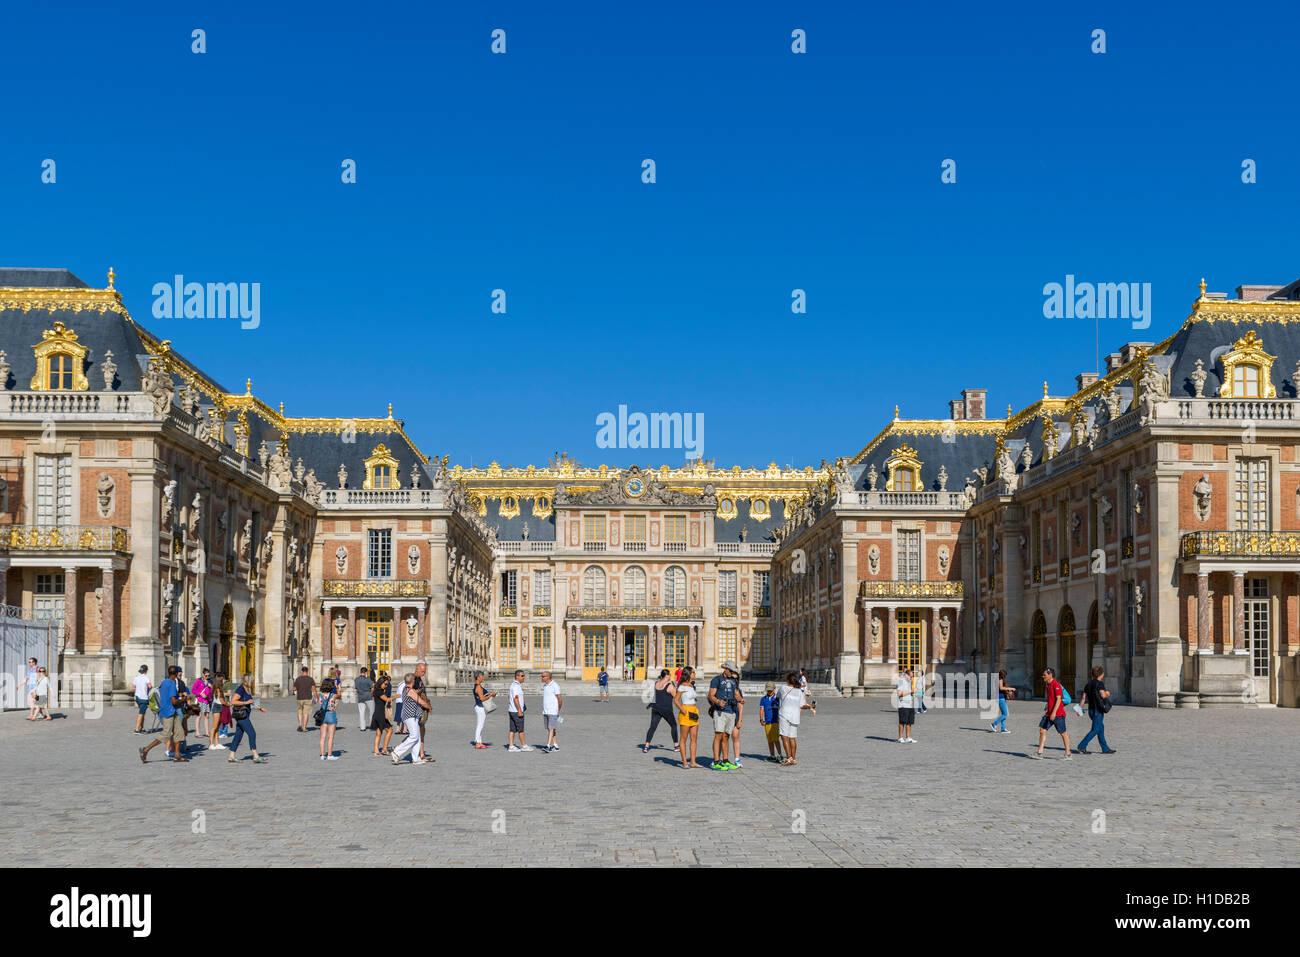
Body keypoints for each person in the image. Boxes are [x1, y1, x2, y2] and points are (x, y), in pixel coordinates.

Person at [139, 665, 188, 763]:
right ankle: (146, 750)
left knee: (179, 732)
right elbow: (174, 701)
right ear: (175, 674)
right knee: (166, 734)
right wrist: (184, 699)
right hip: (169, 711)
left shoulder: (164, 682)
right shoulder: (172, 683)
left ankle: (177, 755)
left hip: (171, 711)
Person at [707, 661, 742, 770]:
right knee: (719, 735)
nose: (732, 673)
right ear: (725, 669)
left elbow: (736, 694)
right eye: (730, 671)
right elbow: (711, 695)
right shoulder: (716, 680)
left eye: (733, 671)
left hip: (731, 711)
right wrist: (718, 701)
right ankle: (716, 761)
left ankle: (725, 760)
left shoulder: (733, 680)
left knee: (726, 736)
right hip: (720, 711)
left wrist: (741, 699)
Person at [392, 672, 432, 765]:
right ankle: (397, 752)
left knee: (417, 737)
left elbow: (415, 695)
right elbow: (421, 702)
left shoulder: (408, 689)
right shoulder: (409, 691)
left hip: (413, 716)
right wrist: (429, 707)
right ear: (413, 681)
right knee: (414, 736)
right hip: (409, 716)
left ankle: (416, 759)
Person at [226, 674, 267, 763]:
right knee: (252, 733)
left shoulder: (248, 689)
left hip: (245, 714)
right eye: (252, 680)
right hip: (241, 716)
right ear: (248, 680)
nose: (252, 681)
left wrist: (260, 708)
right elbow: (233, 701)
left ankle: (231, 756)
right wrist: (246, 702)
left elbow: (251, 703)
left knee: (238, 735)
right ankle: (255, 755)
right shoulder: (240, 689)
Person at [1033, 667, 1072, 760]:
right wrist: (1048, 705)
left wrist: (1054, 713)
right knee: (1042, 730)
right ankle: (1039, 752)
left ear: (1050, 675)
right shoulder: (1048, 685)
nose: (1043, 676)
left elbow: (1058, 699)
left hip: (1058, 714)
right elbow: (1052, 698)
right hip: (1049, 713)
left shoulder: (1056, 685)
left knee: (1063, 733)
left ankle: (1068, 754)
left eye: (1045, 675)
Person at [1076, 666, 1116, 755]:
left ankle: (1105, 748)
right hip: (1098, 711)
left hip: (1091, 710)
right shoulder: (1100, 684)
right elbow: (1103, 695)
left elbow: (1083, 698)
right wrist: (1108, 693)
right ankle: (1082, 746)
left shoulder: (1088, 684)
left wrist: (1079, 710)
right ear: (1101, 674)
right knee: (1095, 729)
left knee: (1100, 728)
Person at [777, 671, 814, 766]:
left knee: (784, 736)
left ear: (788, 680)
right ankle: (793, 759)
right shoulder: (799, 692)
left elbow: (777, 697)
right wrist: (810, 706)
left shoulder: (783, 688)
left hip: (784, 714)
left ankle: (788, 758)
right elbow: (802, 705)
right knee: (792, 738)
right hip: (795, 716)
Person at [642, 669, 680, 753]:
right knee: (673, 725)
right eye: (669, 675)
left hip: (655, 708)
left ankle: (646, 746)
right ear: (666, 676)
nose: (670, 676)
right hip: (666, 709)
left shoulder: (656, 684)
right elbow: (676, 697)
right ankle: (676, 745)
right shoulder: (669, 686)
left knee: (652, 727)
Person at [674, 666, 702, 768]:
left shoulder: (691, 685)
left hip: (694, 711)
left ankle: (693, 762)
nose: (695, 674)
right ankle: (684, 762)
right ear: (688, 674)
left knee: (694, 738)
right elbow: (676, 700)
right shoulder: (682, 686)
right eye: (693, 672)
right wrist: (683, 710)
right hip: (686, 712)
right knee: (683, 738)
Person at [506, 669, 533, 751]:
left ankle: (511, 746)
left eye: (523, 675)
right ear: (517, 676)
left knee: (512, 729)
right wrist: (519, 710)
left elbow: (509, 697)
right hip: (516, 711)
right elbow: (516, 699)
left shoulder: (513, 685)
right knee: (520, 729)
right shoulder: (516, 686)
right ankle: (524, 746)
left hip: (512, 710)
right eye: (522, 676)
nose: (523, 677)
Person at [758, 680, 784, 762]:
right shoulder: (763, 699)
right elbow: (761, 709)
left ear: (774, 689)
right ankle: (772, 755)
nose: (769, 691)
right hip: (767, 722)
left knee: (776, 739)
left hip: (775, 722)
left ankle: (780, 755)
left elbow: (781, 709)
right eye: (768, 690)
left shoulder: (777, 699)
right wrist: (761, 719)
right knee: (770, 740)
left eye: (771, 690)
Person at [371, 673, 395, 755]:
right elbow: (387, 699)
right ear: (381, 682)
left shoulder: (377, 690)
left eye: (387, 684)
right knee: (390, 730)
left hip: (377, 713)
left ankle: (376, 750)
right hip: (380, 714)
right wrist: (396, 696)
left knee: (379, 733)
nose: (386, 686)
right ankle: (384, 749)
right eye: (385, 684)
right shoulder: (379, 691)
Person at [412, 660, 431, 761]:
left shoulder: (419, 679)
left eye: (425, 671)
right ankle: (398, 749)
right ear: (417, 669)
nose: (424, 673)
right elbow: (411, 692)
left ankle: (422, 753)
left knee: (421, 731)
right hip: (417, 709)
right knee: (415, 734)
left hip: (422, 709)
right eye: (422, 671)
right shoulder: (413, 679)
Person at [472, 671, 496, 749]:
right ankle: (477, 742)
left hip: (479, 706)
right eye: (482, 676)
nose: (483, 678)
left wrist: (491, 695)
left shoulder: (477, 685)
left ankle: (479, 741)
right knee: (480, 725)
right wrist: (491, 695)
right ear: (478, 677)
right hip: (480, 707)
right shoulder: (478, 687)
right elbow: (482, 698)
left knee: (480, 724)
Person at [540, 670, 563, 752]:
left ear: (548, 677)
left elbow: (559, 698)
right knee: (550, 729)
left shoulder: (555, 685)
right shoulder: (545, 685)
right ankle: (555, 746)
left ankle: (548, 745)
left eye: (543, 676)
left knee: (551, 728)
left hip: (553, 710)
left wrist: (558, 709)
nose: (541, 678)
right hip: (545, 711)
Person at [318, 678, 340, 760]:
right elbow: (339, 695)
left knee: (322, 737)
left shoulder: (320, 695)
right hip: (331, 715)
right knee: (330, 737)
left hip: (323, 715)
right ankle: (330, 755)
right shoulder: (333, 695)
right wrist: (337, 686)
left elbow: (318, 702)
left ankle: (323, 755)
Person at [207, 672, 229, 749]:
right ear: (220, 680)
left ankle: (217, 743)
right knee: (214, 726)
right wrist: (229, 704)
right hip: (217, 707)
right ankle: (211, 744)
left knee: (218, 726)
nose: (225, 681)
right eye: (223, 679)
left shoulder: (220, 688)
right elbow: (222, 700)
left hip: (219, 706)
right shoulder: (218, 689)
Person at [191, 669, 214, 739]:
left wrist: (211, 687)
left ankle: (207, 732)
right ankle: (197, 732)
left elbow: (213, 691)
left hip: (207, 700)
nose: (207, 677)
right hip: (200, 700)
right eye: (206, 675)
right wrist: (200, 693)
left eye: (208, 675)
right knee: (199, 715)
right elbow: (193, 690)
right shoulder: (198, 681)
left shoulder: (210, 681)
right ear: (203, 674)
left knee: (207, 716)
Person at [293, 667, 316, 733]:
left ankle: (300, 724)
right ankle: (304, 727)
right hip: (308, 698)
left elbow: (294, 689)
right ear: (307, 671)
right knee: (306, 713)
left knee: (300, 711)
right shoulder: (310, 679)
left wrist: (298, 688)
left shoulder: (298, 679)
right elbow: (314, 689)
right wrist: (316, 697)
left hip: (299, 697)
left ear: (302, 671)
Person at [896, 667, 915, 743]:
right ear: (906, 675)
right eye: (911, 676)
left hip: (910, 704)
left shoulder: (909, 682)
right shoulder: (901, 681)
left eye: (912, 676)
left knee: (909, 722)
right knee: (902, 722)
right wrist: (910, 691)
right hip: (903, 704)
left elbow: (909, 692)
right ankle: (900, 737)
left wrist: (912, 692)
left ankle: (908, 737)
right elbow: (899, 693)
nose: (912, 678)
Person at [132, 665, 152, 733]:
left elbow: (133, 688)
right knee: (141, 713)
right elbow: (150, 686)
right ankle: (136, 729)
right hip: (144, 698)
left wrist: (138, 691)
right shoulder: (146, 678)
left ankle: (142, 728)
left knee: (143, 712)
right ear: (146, 671)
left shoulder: (136, 677)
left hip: (138, 697)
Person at [354, 668, 375, 734]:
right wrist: (371, 695)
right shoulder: (368, 679)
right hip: (368, 696)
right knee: (371, 712)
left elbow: (356, 689)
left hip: (360, 696)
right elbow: (372, 688)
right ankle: (372, 725)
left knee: (361, 712)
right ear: (365, 672)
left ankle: (362, 727)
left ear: (360, 672)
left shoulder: (356, 680)